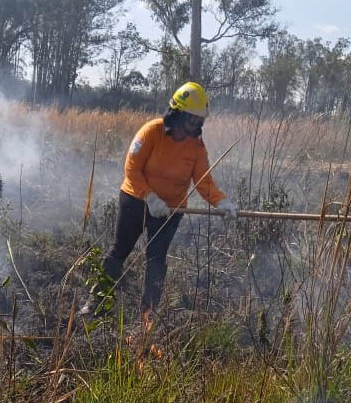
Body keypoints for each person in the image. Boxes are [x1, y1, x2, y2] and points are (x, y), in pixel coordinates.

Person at [80, 82, 237, 320]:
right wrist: (150, 197)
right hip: (135, 201)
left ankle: (147, 319)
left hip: (170, 211)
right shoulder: (151, 131)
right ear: (177, 113)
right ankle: (96, 303)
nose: (194, 125)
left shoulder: (197, 147)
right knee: (119, 251)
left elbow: (204, 181)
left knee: (156, 261)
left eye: (198, 120)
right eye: (190, 119)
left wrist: (221, 202)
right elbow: (131, 168)